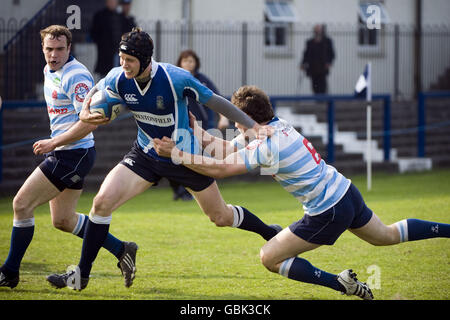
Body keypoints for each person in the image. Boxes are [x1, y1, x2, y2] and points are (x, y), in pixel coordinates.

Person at [153, 85, 450, 300]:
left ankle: (341, 284)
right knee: (386, 235)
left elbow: (219, 168)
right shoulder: (278, 127)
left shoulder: (266, 146)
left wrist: (176, 154)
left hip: (327, 210)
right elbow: (228, 149)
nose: (232, 124)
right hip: (345, 191)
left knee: (269, 257)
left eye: (235, 119)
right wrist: (197, 132)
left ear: (248, 121)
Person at [46, 28, 280, 291]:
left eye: (130, 60)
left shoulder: (175, 78)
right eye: (121, 58)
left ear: (146, 60)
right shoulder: (118, 77)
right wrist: (86, 110)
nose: (124, 65)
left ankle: (269, 232)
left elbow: (216, 102)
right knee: (101, 203)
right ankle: (81, 274)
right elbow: (97, 88)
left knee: (221, 216)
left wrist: (253, 128)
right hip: (145, 155)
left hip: (184, 157)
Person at [0, 25, 137, 290]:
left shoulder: (76, 76)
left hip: (73, 154)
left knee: (21, 204)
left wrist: (55, 141)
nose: (54, 55)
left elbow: (91, 122)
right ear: (42, 48)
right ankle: (122, 249)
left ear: (69, 48)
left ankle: (9, 272)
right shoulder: (49, 69)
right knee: (63, 220)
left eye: (60, 49)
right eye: (49, 49)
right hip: (68, 152)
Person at [169, 49, 229, 201]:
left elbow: (216, 98)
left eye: (191, 61)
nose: (188, 64)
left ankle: (189, 191)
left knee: (195, 159)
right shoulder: (173, 80)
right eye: (185, 61)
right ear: (180, 63)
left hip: (201, 125)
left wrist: (223, 117)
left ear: (196, 63)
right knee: (174, 158)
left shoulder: (202, 80)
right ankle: (179, 190)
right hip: (179, 125)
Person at [90, 0, 123, 79]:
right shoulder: (100, 16)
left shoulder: (120, 16)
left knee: (118, 76)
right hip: (105, 53)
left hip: (118, 52)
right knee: (104, 78)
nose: (112, 3)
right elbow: (94, 33)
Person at [300, 24, 335, 94]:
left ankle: (322, 99)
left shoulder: (327, 41)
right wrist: (303, 64)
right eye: (316, 30)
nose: (317, 32)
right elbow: (306, 54)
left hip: (323, 68)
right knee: (314, 85)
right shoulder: (310, 42)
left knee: (322, 84)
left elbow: (331, 54)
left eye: (319, 30)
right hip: (313, 67)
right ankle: (317, 100)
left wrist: (329, 62)